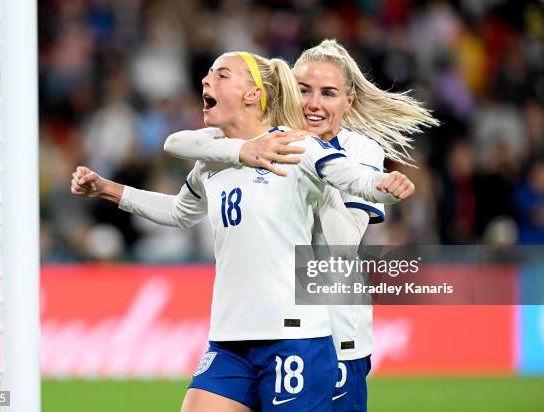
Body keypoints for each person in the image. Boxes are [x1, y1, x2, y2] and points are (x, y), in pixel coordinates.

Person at [71, 50, 415, 412]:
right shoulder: (213, 160)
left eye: (221, 75)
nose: (206, 80)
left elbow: (354, 180)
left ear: (253, 94)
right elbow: (178, 209)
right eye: (304, 90)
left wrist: (383, 184)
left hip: (296, 337)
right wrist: (108, 189)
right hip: (230, 338)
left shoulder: (297, 146)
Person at [162, 39, 439, 412]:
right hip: (265, 328)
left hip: (337, 332)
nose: (313, 103)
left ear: (348, 102)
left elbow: (341, 242)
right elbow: (185, 144)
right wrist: (241, 150)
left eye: (328, 93)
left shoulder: (359, 151)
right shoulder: (271, 141)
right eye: (304, 90)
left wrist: (320, 174)